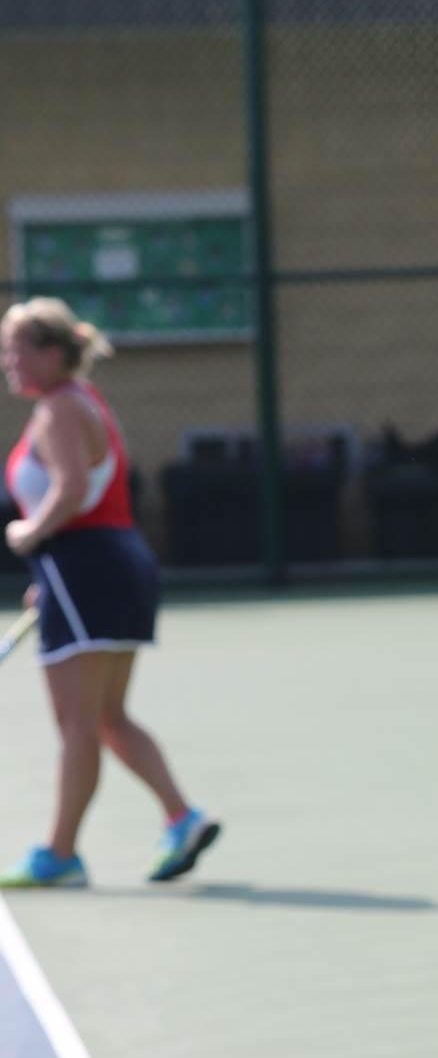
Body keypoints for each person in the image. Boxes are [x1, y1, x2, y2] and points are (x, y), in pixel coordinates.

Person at [1, 297, 219, 889]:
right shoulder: (82, 402)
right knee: (105, 718)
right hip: (109, 565)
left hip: (85, 564)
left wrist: (28, 534)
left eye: (16, 350)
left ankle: (60, 854)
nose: (7, 362)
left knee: (78, 721)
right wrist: (51, 578)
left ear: (51, 352)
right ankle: (183, 818)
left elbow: (70, 490)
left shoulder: (59, 409)